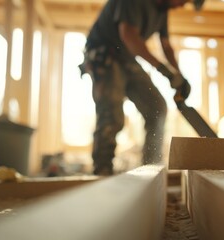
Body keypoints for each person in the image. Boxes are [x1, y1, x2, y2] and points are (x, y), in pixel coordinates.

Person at [81, 0, 205, 175]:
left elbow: (166, 46)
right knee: (112, 116)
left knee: (157, 108)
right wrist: (164, 71)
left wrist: (179, 75)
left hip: (127, 58)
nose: (182, 5)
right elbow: (128, 35)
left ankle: (151, 169)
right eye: (184, 0)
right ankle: (102, 171)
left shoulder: (163, 9)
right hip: (105, 54)